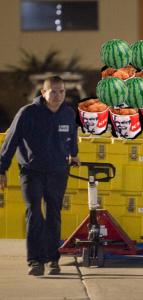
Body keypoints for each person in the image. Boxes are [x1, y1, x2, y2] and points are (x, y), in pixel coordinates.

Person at [0, 76, 80, 276]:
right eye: (53, 91)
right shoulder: (28, 113)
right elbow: (10, 142)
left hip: (58, 172)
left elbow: (71, 137)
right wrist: (1, 169)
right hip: (31, 172)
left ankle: (53, 260)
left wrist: (74, 154)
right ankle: (35, 261)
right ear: (43, 93)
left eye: (61, 91)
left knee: (54, 215)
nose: (58, 96)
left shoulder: (68, 114)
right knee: (34, 213)